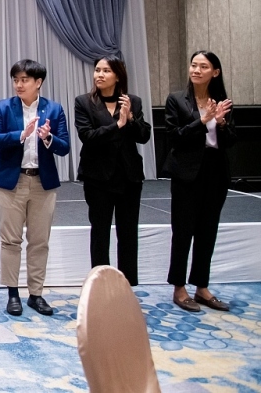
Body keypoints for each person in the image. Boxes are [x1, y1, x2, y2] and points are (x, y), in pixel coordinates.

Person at [0, 59, 70, 317]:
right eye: (16, 80)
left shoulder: (53, 109)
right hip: (12, 183)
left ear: (38, 82)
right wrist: (20, 135)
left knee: (39, 242)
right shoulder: (3, 107)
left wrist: (48, 137)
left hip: (43, 183)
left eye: (24, 80)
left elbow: (65, 147)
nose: (19, 85)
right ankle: (13, 293)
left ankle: (36, 294)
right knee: (10, 241)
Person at [165, 51, 236, 313]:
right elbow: (174, 136)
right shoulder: (176, 100)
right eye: (194, 65)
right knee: (183, 232)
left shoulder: (223, 102)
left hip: (215, 172)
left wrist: (222, 123)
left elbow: (231, 141)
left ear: (215, 72)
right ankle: (179, 287)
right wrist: (202, 121)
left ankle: (202, 286)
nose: (196, 70)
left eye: (203, 66)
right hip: (186, 173)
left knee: (208, 232)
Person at [74, 56, 151, 286]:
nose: (99, 74)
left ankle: (127, 285)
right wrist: (117, 125)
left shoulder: (132, 101)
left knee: (128, 233)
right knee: (100, 232)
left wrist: (131, 119)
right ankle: (101, 285)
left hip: (129, 177)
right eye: (97, 70)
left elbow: (144, 136)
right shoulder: (84, 102)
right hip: (98, 177)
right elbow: (88, 136)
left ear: (118, 75)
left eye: (106, 70)